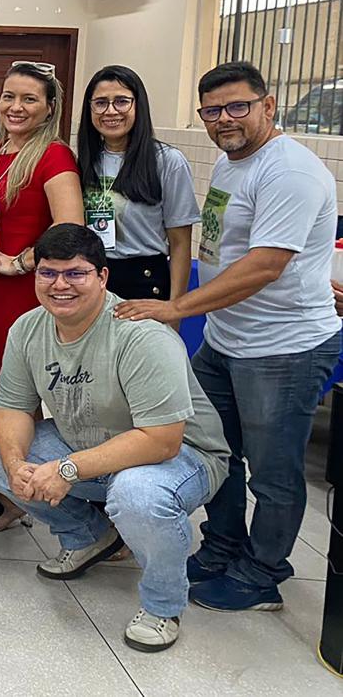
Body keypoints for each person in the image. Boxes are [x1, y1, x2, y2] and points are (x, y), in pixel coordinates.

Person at [117, 61, 341, 613]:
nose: (224, 120)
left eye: (238, 106)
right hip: (226, 338)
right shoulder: (229, 161)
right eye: (212, 111)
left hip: (282, 348)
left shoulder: (290, 172)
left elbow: (265, 264)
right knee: (217, 452)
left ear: (269, 106)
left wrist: (176, 307)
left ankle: (263, 571)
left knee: (272, 470)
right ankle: (222, 547)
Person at [0, 224, 230, 652]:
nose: (60, 285)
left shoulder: (141, 334)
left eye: (75, 273)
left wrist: (67, 469)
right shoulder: (28, 329)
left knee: (137, 494)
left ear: (102, 277)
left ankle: (163, 604)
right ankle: (91, 538)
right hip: (92, 445)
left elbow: (162, 441)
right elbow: (13, 408)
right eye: (48, 273)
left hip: (183, 457)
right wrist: (16, 462)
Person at [0, 61, 82, 531]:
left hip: (27, 294)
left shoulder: (53, 156)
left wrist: (22, 262)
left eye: (29, 99)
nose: (16, 106)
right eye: (9, 96)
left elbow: (70, 229)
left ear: (49, 107)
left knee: (18, 392)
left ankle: (17, 491)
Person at [76, 65, 199, 301]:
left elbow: (180, 244)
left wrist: (175, 308)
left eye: (121, 102)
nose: (110, 111)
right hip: (93, 277)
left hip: (145, 281)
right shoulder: (86, 160)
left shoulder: (167, 161)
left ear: (138, 105)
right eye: (100, 103)